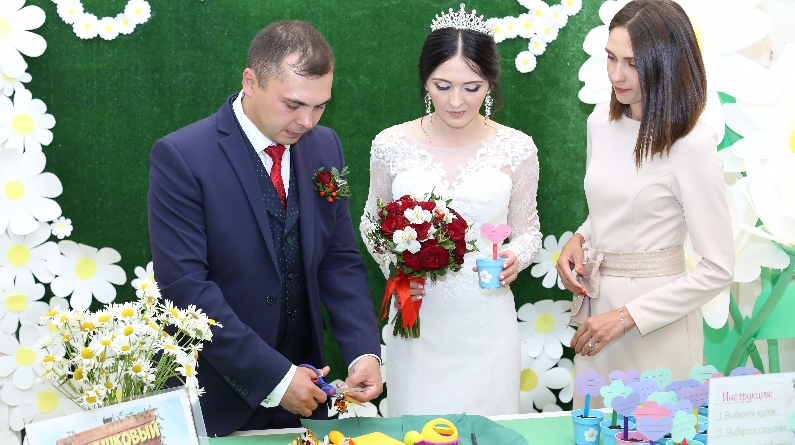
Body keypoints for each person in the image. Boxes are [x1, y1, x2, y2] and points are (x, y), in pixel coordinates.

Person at [148, 21, 382, 436]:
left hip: (310, 394)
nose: (307, 121)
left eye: (320, 106)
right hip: (217, 400)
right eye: (293, 104)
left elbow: (339, 259)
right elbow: (186, 288)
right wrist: (275, 378)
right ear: (251, 82)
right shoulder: (181, 156)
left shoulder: (325, 145)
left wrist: (364, 350)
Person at [360, 5, 542, 416]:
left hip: (486, 318)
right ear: (425, 81)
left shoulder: (517, 148)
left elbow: (528, 230)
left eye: (471, 87)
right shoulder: (390, 144)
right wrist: (398, 269)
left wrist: (516, 256)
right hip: (418, 318)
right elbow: (372, 222)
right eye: (443, 86)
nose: (456, 101)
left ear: (490, 84)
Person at [554, 0, 734, 407]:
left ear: (667, 65)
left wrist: (626, 317)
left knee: (658, 427)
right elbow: (609, 205)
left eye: (633, 64)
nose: (616, 75)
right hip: (596, 313)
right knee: (595, 427)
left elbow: (718, 269)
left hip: (657, 323)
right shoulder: (600, 122)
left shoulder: (692, 145)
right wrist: (579, 238)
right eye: (611, 58)